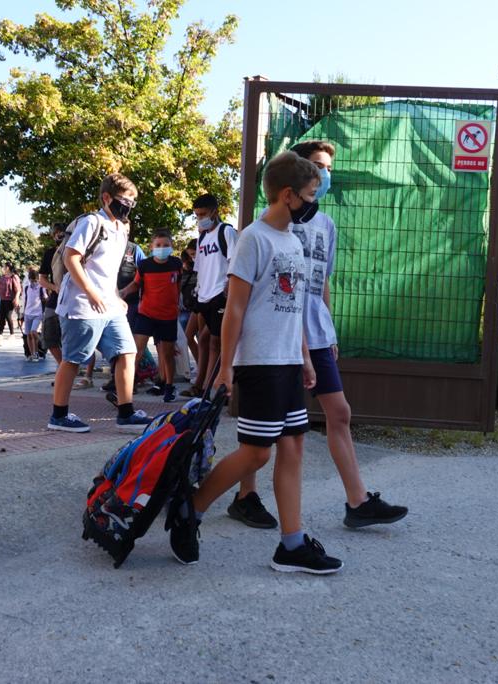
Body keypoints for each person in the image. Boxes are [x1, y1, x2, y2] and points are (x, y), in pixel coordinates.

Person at [168, 151, 343, 574]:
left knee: (294, 446)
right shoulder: (253, 239)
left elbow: (296, 307)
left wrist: (304, 357)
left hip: (287, 359)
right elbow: (235, 310)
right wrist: (226, 366)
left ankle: (292, 543)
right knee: (256, 454)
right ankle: (189, 509)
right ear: (287, 195)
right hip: (259, 362)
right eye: (308, 195)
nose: (312, 203)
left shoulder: (293, 243)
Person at [230, 140, 409, 529]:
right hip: (278, 331)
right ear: (293, 179)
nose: (323, 175)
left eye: (328, 168)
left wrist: (328, 328)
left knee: (338, 413)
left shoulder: (326, 225)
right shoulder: (272, 221)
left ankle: (358, 502)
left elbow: (322, 281)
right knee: (263, 426)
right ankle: (246, 495)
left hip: (314, 331)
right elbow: (246, 294)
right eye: (316, 166)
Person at [47, 173, 154, 432]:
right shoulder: (92, 222)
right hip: (81, 305)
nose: (129, 205)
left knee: (127, 352)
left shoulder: (122, 228)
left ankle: (126, 412)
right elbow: (71, 258)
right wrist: (92, 292)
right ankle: (59, 416)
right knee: (73, 359)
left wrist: (115, 295)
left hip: (109, 305)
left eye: (133, 201)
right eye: (125, 199)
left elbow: (107, 269)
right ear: (106, 197)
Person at [181, 194, 238, 398]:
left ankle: (208, 390)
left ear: (214, 211)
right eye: (197, 215)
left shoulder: (227, 232)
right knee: (199, 337)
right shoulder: (203, 237)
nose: (200, 218)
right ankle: (201, 384)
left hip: (219, 295)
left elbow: (234, 262)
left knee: (214, 342)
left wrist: (228, 291)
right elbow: (200, 268)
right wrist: (196, 293)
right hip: (203, 297)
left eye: (203, 214)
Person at [121, 229, 183, 402]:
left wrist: (177, 304)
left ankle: (169, 387)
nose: (162, 248)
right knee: (135, 351)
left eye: (166, 245)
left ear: (171, 246)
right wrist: (124, 292)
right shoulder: (145, 265)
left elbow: (177, 286)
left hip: (168, 316)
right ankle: (127, 386)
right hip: (146, 313)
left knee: (167, 353)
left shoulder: (176, 264)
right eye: (158, 245)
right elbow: (136, 284)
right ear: (151, 246)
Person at [101, 237, 146, 394]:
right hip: (107, 304)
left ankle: (130, 381)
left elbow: (143, 275)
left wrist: (125, 293)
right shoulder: (106, 246)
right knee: (112, 345)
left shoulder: (134, 250)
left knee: (127, 345)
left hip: (130, 304)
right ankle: (117, 378)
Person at [38, 223, 67, 364]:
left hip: (73, 300)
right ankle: (63, 367)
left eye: (62, 233)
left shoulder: (75, 250)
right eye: (56, 233)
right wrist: (54, 287)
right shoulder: (50, 253)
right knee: (48, 337)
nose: (59, 236)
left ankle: (85, 374)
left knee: (72, 338)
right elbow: (41, 279)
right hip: (55, 299)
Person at [178, 240, 200, 382]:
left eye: (193, 255)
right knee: (188, 337)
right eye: (188, 256)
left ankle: (202, 368)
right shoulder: (182, 271)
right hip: (186, 309)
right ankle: (200, 366)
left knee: (202, 338)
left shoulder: (201, 268)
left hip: (198, 307)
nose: (190, 260)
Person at [23, 268, 45, 362]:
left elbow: (45, 298)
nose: (33, 282)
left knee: (33, 332)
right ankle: (32, 354)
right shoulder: (27, 288)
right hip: (27, 313)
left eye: (35, 280)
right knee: (28, 334)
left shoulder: (41, 288)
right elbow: (25, 300)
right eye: (32, 280)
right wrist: (22, 311)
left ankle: (37, 352)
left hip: (38, 313)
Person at [0, 262, 22, 338]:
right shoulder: (3, 277)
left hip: (10, 299)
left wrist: (16, 298)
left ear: (7, 267)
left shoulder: (14, 277)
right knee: (1, 316)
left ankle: (12, 334)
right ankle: (0, 334)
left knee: (8, 316)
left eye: (3, 266)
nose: (2, 268)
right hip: (2, 299)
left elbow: (18, 289)